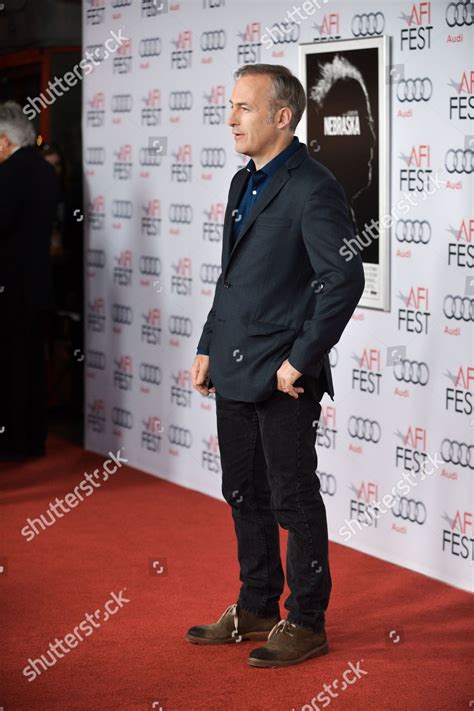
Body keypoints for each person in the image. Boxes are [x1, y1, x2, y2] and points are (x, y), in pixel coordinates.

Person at [187, 65, 364, 668]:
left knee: (293, 498)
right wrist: (209, 342)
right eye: (230, 106)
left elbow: (342, 279)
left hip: (283, 376)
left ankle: (306, 620)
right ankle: (257, 603)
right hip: (233, 364)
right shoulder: (244, 182)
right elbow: (232, 276)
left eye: (243, 107)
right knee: (242, 492)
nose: (231, 118)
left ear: (282, 116)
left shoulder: (314, 186)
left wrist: (300, 360)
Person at [0, 101, 59, 459]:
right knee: (32, 362)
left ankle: (12, 441)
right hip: (38, 283)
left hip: (9, 287)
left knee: (9, 365)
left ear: (5, 141)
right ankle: (33, 437)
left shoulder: (10, 174)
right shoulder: (45, 170)